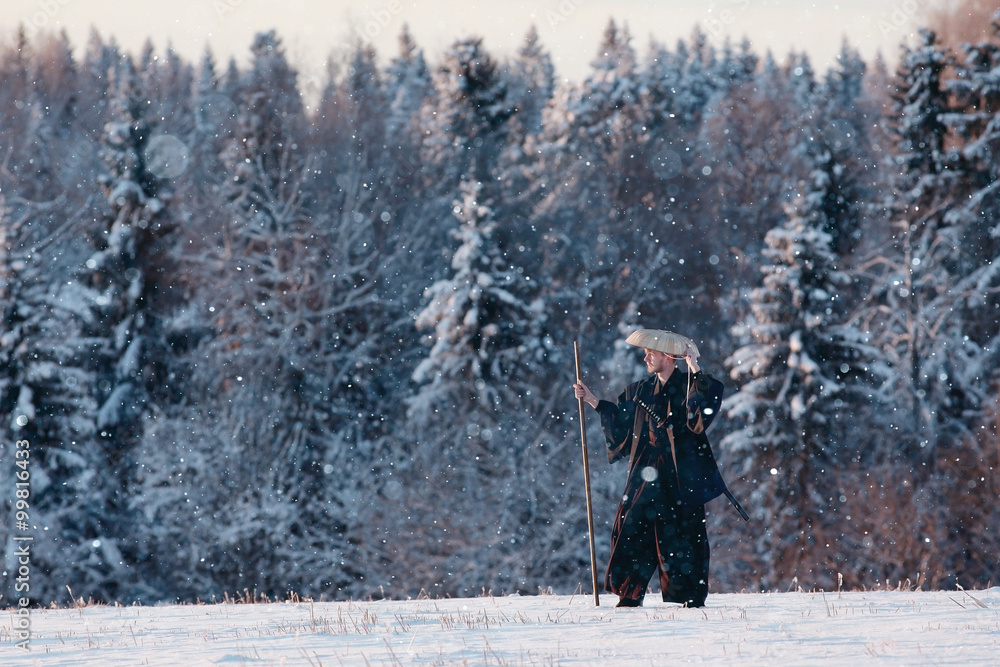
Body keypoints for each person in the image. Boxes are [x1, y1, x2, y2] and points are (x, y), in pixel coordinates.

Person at [573, 328, 746, 608]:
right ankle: (628, 596)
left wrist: (695, 368)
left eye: (650, 353)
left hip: (680, 477)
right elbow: (620, 427)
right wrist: (592, 400)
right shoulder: (639, 391)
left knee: (683, 536)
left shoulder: (691, 386)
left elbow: (702, 417)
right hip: (645, 472)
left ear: (668, 357)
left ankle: (686, 598)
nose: (645, 358)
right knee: (630, 528)